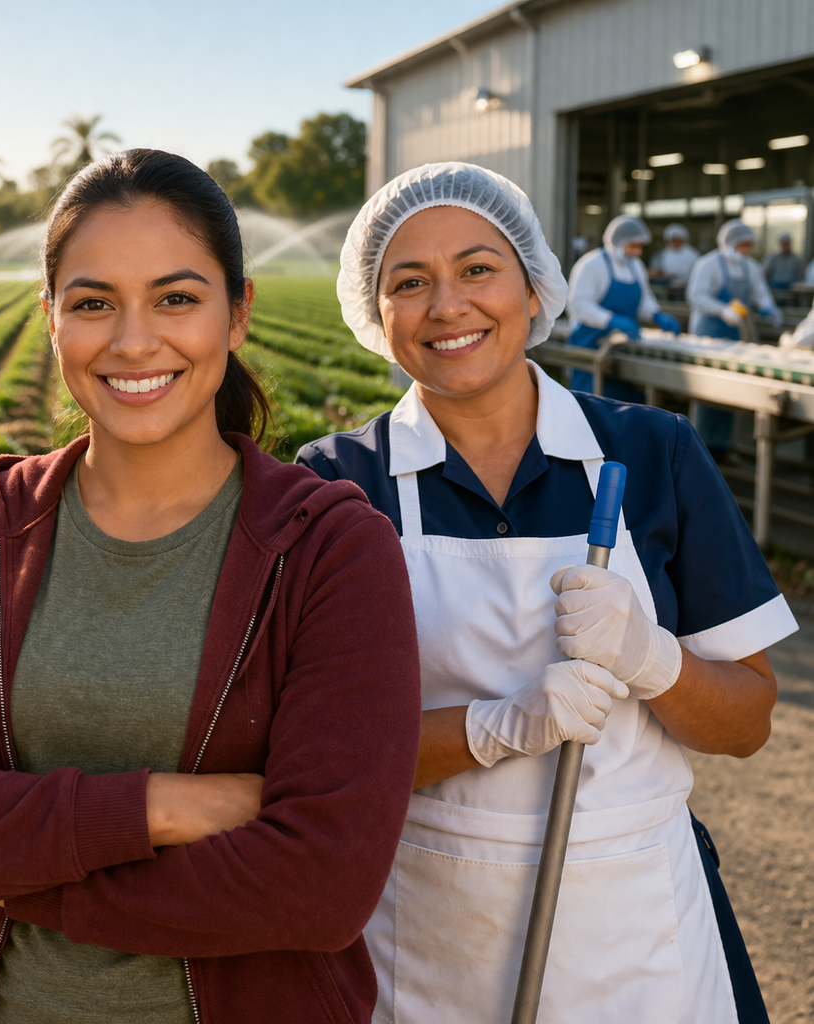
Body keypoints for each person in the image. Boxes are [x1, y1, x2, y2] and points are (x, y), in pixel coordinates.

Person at [0, 149, 423, 1024]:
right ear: (51, 318)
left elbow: (321, 886)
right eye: (93, 303)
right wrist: (158, 807)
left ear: (237, 314)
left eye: (176, 299)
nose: (133, 340)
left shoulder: (329, 551)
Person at [299, 161, 797, 1024]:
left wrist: (652, 659)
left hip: (637, 927)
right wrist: (494, 728)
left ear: (534, 289)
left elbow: (747, 723)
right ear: (376, 318)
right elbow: (319, 762)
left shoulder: (652, 454)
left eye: (478, 269)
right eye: (408, 282)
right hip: (427, 933)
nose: (447, 305)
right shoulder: (341, 484)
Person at [688, 219, 781, 454]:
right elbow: (696, 295)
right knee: (707, 392)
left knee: (729, 393)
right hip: (709, 336)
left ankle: (721, 447)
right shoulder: (709, 264)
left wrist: (769, 307)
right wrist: (722, 310)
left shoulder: (752, 267)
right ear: (729, 243)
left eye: (748, 245)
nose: (746, 250)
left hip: (736, 338)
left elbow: (760, 293)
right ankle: (700, 447)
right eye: (742, 245)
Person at [566, 214, 681, 399]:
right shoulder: (592, 264)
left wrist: (657, 315)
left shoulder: (636, 267)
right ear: (617, 242)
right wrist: (610, 320)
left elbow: (644, 299)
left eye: (640, 246)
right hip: (590, 345)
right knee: (589, 404)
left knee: (621, 404)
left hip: (623, 348)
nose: (637, 252)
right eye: (633, 246)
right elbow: (578, 304)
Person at [649, 222, 700, 287]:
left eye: (677, 240)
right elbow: (658, 270)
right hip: (667, 287)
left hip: (687, 287)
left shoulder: (693, 254)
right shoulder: (663, 254)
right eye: (672, 240)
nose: (675, 242)